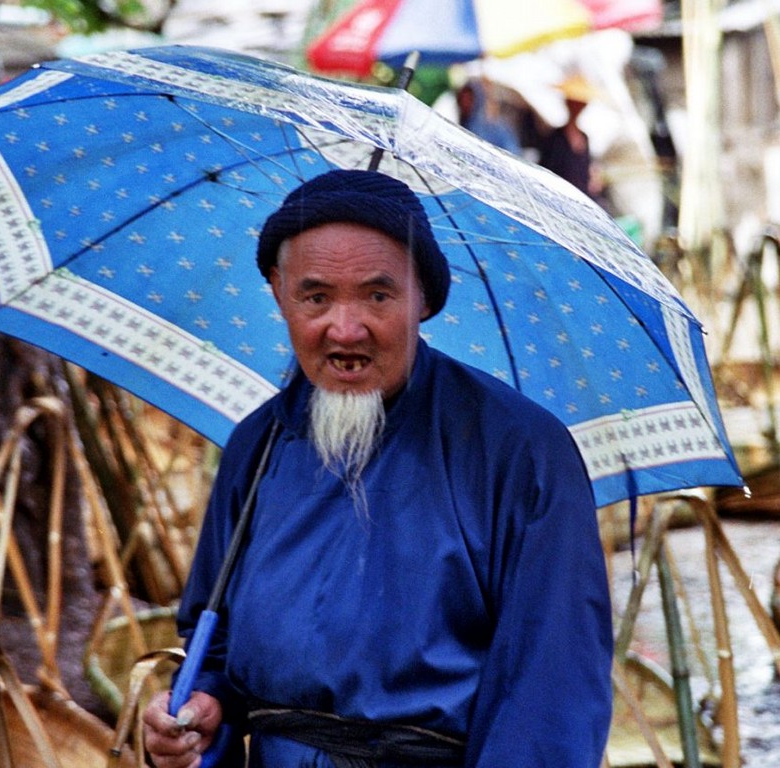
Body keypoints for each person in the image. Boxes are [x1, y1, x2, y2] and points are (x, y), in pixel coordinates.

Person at [143, 169, 614, 767]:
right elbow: (214, 648)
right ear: (278, 292)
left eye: (377, 295)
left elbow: (553, 693)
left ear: (424, 298)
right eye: (316, 297)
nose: (345, 328)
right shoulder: (257, 446)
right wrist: (200, 713)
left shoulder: (520, 452)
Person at [455, 79, 522, 155]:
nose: (465, 103)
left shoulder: (497, 128)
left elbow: (513, 153)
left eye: (469, 99)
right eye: (462, 99)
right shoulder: (460, 124)